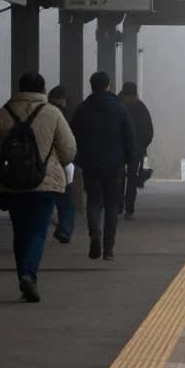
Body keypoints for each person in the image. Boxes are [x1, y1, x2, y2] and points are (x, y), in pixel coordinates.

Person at [0, 71, 76, 303]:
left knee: (20, 232)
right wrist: (55, 162)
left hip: (11, 184)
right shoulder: (52, 113)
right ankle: (28, 274)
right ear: (43, 90)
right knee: (37, 231)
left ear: (19, 88)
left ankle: (23, 274)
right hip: (43, 183)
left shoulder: (4, 113)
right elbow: (69, 150)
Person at [71, 71, 135, 261]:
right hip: (115, 164)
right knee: (112, 206)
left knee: (94, 201)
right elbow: (129, 138)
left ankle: (95, 233)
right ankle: (108, 249)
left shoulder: (83, 109)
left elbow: (72, 135)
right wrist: (130, 162)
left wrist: (80, 158)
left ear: (92, 86)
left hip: (90, 163)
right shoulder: (120, 109)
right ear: (108, 86)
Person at [118, 81, 154, 220]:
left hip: (121, 149)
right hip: (135, 150)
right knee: (131, 179)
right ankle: (129, 209)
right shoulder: (141, 108)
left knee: (119, 178)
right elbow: (149, 132)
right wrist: (142, 146)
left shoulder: (118, 107)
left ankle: (119, 205)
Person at [48, 85, 76, 243]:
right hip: (64, 163)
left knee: (46, 199)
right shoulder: (68, 115)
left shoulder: (43, 113)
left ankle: (46, 225)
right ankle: (65, 229)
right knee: (66, 199)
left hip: (44, 163)